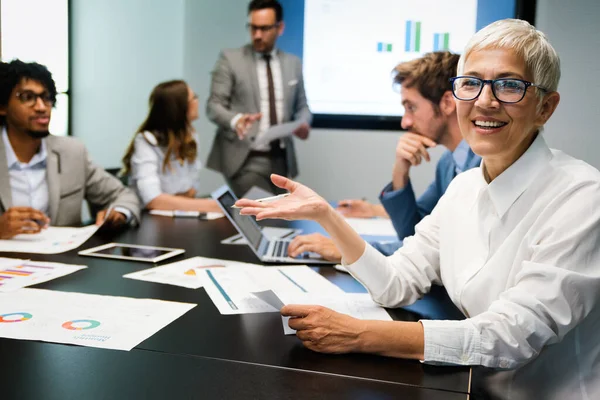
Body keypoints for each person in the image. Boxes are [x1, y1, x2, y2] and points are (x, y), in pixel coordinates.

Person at [236, 19, 600, 399]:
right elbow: (396, 282)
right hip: (472, 384)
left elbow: (510, 336)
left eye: (509, 85)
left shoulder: (581, 196)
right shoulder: (464, 186)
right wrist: (326, 215)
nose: (485, 101)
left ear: (545, 107)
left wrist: (358, 335)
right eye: (471, 83)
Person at [289, 52, 481, 262]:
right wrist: (400, 171)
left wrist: (350, 249)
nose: (405, 122)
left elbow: (439, 250)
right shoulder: (448, 164)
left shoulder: (484, 165)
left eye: (411, 107)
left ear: (446, 103)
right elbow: (414, 233)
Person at [0, 60, 140, 239]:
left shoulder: (72, 152)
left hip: (62, 261)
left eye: (47, 97)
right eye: (27, 97)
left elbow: (124, 195)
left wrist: (118, 213)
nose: (42, 107)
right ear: (3, 106)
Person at [205, 0, 312, 197]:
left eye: (264, 29)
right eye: (253, 28)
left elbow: (303, 106)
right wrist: (236, 120)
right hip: (245, 156)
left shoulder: (293, 63)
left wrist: (304, 123)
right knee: (264, 215)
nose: (257, 35)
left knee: (280, 219)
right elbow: (213, 105)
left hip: (281, 157)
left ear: (280, 28)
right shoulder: (230, 59)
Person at [122, 80, 220, 212]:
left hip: (175, 216)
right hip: (147, 219)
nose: (198, 100)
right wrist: (214, 206)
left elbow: (191, 189)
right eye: (194, 97)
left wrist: (170, 201)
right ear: (180, 108)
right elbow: (153, 200)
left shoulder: (191, 136)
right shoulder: (146, 141)